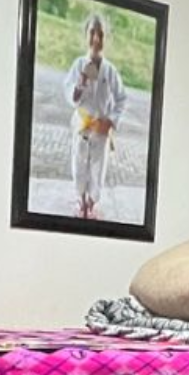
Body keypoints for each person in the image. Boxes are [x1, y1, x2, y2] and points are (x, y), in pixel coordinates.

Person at [61, 12, 127, 221]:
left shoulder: (111, 71)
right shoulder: (79, 65)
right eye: (92, 33)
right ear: (86, 35)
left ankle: (91, 203)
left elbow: (121, 99)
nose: (96, 39)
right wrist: (80, 83)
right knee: (79, 164)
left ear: (107, 38)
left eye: (101, 34)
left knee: (98, 168)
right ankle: (80, 200)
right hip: (82, 124)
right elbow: (71, 96)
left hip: (100, 127)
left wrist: (111, 121)